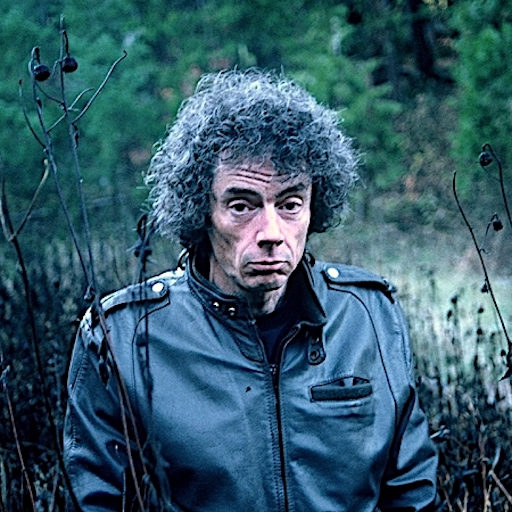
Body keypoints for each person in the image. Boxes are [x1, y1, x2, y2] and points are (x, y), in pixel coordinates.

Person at [64, 69, 439, 511]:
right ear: (202, 210)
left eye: (290, 204)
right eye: (242, 206)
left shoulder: (367, 314)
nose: (271, 233)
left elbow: (412, 491)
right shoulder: (123, 336)